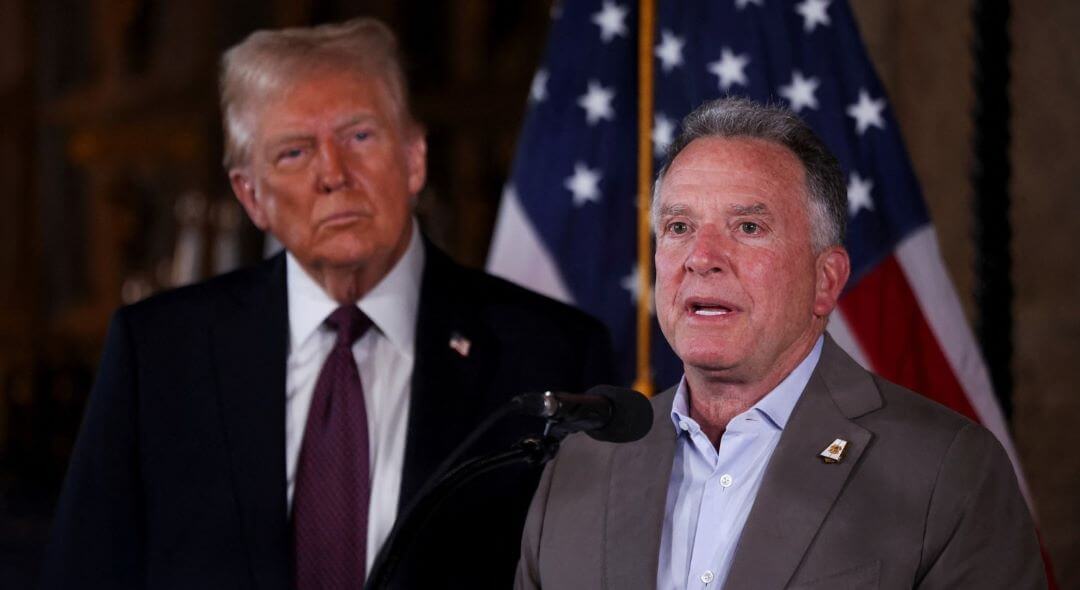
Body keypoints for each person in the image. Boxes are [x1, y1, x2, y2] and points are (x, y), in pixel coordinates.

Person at [42, 18, 614, 590]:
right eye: (294, 152)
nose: (334, 174)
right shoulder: (159, 354)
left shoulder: (552, 352)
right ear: (251, 195)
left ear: (414, 157)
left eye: (359, 137)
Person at [515, 98, 1045, 590]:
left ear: (826, 280)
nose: (701, 257)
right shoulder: (580, 467)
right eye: (678, 227)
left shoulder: (946, 471)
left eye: (748, 226)